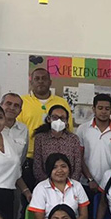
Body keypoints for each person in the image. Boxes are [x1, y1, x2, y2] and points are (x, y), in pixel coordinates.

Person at [18, 68, 74, 199]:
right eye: (37, 78)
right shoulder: (23, 102)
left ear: (50, 82)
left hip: (58, 162)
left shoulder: (61, 102)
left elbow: (68, 130)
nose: (40, 81)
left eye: (44, 78)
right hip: (30, 160)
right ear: (31, 82)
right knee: (32, 201)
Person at [28, 153, 90, 219]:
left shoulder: (77, 186)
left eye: (63, 166)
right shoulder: (41, 188)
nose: (60, 170)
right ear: (49, 170)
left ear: (69, 168)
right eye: (54, 167)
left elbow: (84, 215)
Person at [77, 94, 111, 194]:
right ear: (94, 109)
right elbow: (79, 157)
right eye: (100, 108)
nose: (103, 112)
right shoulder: (83, 129)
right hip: (87, 183)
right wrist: (90, 179)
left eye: (107, 108)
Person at [32, 105, 83, 183]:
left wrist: (70, 184)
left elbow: (78, 166)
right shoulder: (40, 138)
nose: (59, 121)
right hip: (45, 185)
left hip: (69, 185)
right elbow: (37, 165)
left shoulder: (73, 139)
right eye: (55, 117)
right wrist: (49, 184)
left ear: (66, 121)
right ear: (49, 119)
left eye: (62, 118)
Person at [0, 92, 30, 167]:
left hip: (15, 176)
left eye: (16, 106)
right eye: (8, 104)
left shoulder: (23, 129)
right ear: (0, 106)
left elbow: (22, 157)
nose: (12, 108)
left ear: (20, 111)